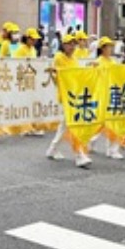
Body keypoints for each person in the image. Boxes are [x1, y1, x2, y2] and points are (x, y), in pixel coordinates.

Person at [46, 34, 92, 168]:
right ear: (63, 45)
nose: (72, 47)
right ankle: (79, 155)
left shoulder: (74, 59)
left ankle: (52, 149)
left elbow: (76, 75)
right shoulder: (59, 57)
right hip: (66, 96)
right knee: (73, 124)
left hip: (74, 94)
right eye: (69, 44)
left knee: (65, 125)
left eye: (74, 44)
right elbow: (58, 77)